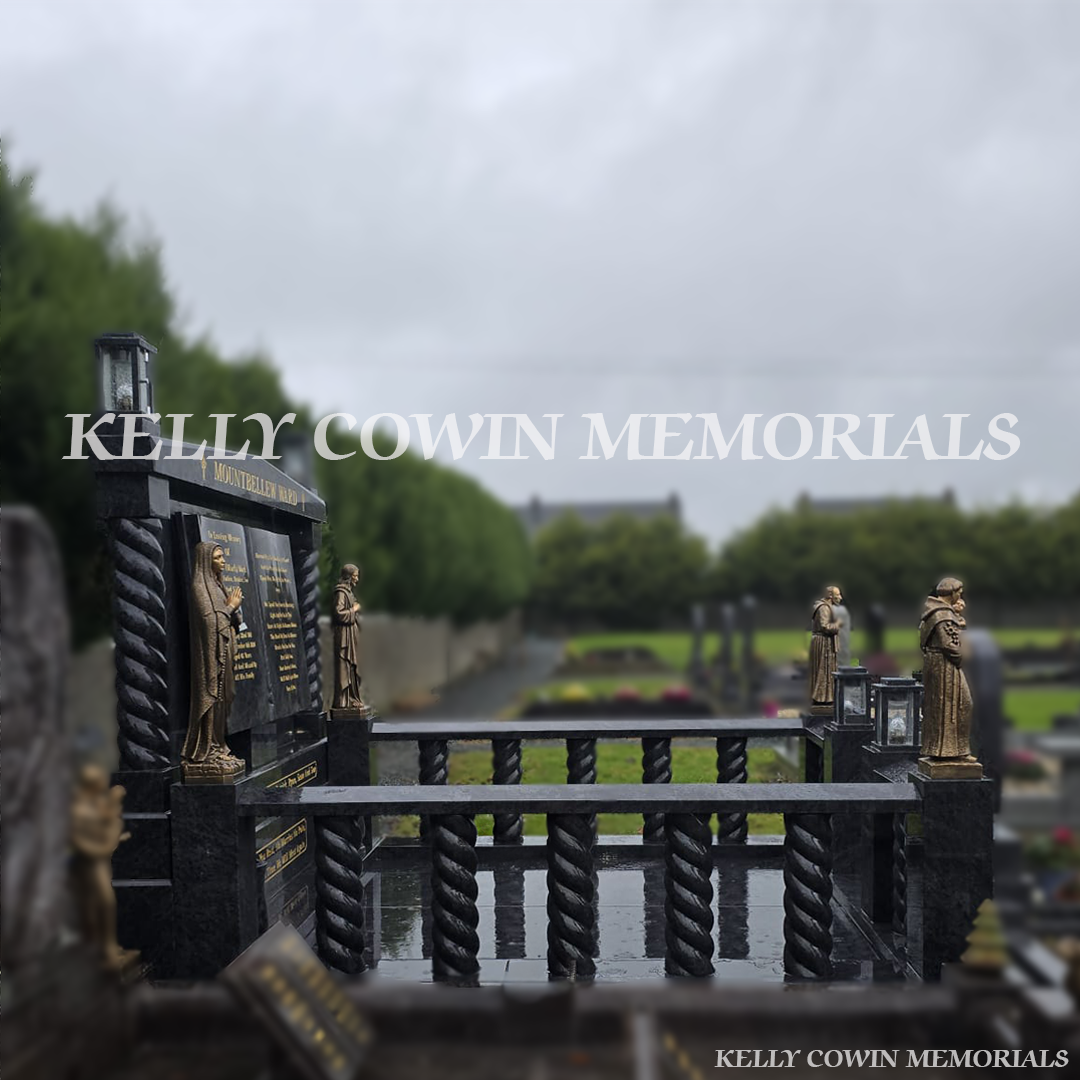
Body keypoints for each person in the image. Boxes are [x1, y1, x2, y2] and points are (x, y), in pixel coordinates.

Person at [182, 542, 245, 774]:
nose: (223, 562)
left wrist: (234, 609)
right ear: (207, 560)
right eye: (218, 558)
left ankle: (219, 746)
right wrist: (230, 608)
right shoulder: (200, 586)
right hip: (210, 657)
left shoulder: (219, 586)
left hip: (225, 650)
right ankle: (207, 751)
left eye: (223, 557)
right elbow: (209, 622)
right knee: (214, 697)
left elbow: (229, 618)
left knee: (226, 698)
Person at [70, 764, 133, 969]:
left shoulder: (96, 807)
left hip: (101, 867)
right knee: (94, 906)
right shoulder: (79, 812)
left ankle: (106, 946)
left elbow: (109, 823)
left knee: (106, 905)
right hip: (89, 868)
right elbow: (81, 842)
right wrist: (106, 845)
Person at [920, 577, 975, 761]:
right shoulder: (940, 613)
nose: (961, 595)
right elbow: (950, 645)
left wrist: (958, 618)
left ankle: (958, 751)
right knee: (954, 706)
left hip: (942, 664)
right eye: (959, 591)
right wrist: (965, 655)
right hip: (944, 667)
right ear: (951, 592)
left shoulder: (941, 612)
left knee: (957, 706)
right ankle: (945, 752)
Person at [332, 563, 364, 710]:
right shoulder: (341, 592)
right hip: (344, 637)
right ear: (349, 577)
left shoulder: (349, 593)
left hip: (352, 635)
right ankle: (344, 701)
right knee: (344, 667)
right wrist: (354, 609)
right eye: (355, 576)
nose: (357, 579)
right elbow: (339, 614)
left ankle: (353, 698)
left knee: (352, 668)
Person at [808, 585, 843, 710]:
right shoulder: (823, 608)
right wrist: (837, 625)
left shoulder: (829, 608)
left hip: (827, 643)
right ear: (830, 595)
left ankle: (827, 697)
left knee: (828, 670)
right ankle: (821, 698)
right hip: (823, 643)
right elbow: (824, 626)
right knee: (824, 670)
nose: (840, 597)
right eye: (838, 594)